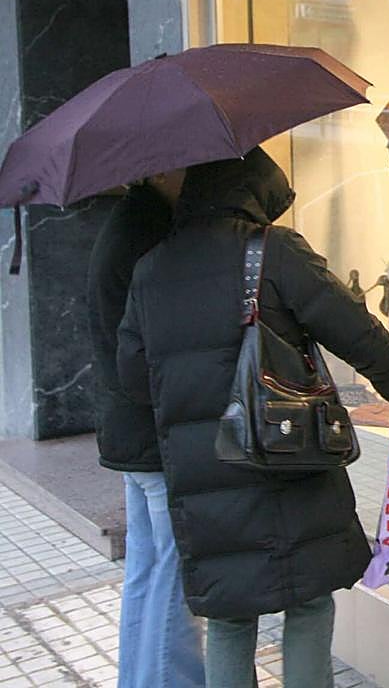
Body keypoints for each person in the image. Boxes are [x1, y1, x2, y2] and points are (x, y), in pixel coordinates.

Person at [116, 148, 389, 687]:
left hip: (203, 468)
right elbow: (352, 327)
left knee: (231, 619)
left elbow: (133, 378)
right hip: (288, 456)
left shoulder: (150, 269)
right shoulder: (273, 250)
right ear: (255, 188)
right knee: (307, 603)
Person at [85, 170, 204, 688]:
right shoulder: (147, 235)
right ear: (159, 169)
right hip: (153, 433)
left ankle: (139, 679)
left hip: (130, 430)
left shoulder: (127, 223)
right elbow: (157, 345)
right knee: (173, 574)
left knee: (147, 567)